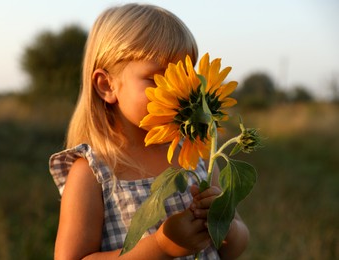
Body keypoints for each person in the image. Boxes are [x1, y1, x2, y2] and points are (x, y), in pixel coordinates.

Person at [49, 3, 249, 259]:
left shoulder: (198, 154)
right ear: (106, 86)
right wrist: (161, 247)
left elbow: (235, 245)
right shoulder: (93, 173)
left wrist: (225, 223)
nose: (178, 90)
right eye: (157, 78)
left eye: (184, 75)